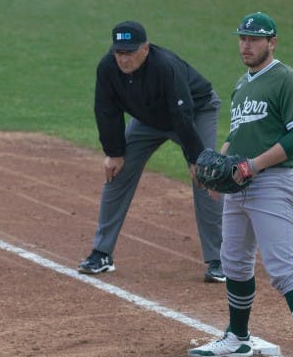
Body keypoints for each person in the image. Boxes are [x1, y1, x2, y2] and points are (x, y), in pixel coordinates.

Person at [187, 12, 293, 357]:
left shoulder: (286, 79)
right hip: (240, 185)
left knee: (283, 269)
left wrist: (254, 166)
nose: (246, 45)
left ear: (273, 42)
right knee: (233, 263)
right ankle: (237, 339)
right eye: (242, 38)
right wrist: (219, 166)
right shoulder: (242, 85)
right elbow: (236, 138)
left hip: (272, 183)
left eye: (255, 39)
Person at [78, 21, 225, 282]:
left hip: (195, 112)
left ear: (145, 49)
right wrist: (114, 152)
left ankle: (220, 260)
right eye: (119, 52)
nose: (123, 59)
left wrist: (196, 157)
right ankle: (101, 254)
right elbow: (106, 111)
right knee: (117, 173)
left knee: (205, 176)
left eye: (129, 52)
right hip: (149, 120)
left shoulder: (165, 66)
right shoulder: (107, 68)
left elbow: (182, 113)